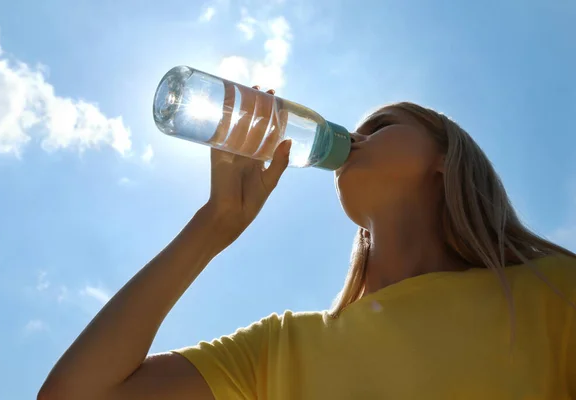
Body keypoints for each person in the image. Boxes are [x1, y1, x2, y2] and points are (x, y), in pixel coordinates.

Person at [38, 91, 576, 400]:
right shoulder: (279, 349)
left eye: (383, 125)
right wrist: (213, 225)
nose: (356, 135)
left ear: (444, 159)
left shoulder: (552, 292)